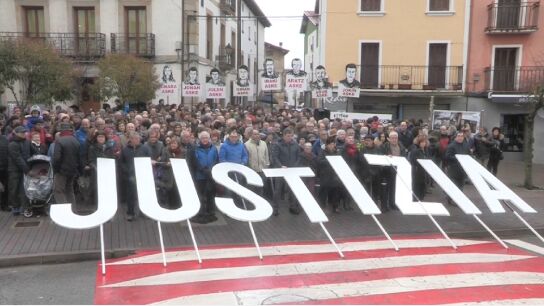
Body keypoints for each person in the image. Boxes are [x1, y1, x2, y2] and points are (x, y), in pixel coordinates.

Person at [120, 132, 151, 221]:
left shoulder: (145, 148)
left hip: (142, 176)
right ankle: (130, 213)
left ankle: (144, 212)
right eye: (134, 138)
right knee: (130, 196)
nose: (136, 140)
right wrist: (127, 171)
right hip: (130, 177)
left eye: (138, 139)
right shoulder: (125, 150)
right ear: (130, 139)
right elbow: (121, 163)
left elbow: (148, 160)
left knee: (143, 195)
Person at [271, 128, 301, 215]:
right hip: (281, 170)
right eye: (288, 136)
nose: (290, 138)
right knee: (278, 190)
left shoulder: (295, 144)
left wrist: (295, 165)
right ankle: (275, 208)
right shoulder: (277, 144)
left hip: (292, 170)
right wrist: (280, 166)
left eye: (291, 136)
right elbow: (274, 157)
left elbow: (299, 156)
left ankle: (292, 207)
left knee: (292, 190)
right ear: (283, 135)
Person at [53, 123, 81, 209]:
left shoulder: (59, 141)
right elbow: (79, 157)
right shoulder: (75, 140)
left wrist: (56, 169)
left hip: (62, 171)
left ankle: (64, 211)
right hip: (72, 170)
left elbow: (57, 158)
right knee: (69, 190)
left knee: (58, 190)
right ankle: (73, 210)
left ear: (61, 131)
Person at [193, 131, 219, 224]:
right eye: (203, 138)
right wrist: (203, 170)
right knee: (200, 195)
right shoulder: (196, 148)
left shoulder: (214, 148)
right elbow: (195, 161)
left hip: (211, 175)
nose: (204, 139)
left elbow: (216, 160)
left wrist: (212, 170)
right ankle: (201, 213)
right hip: (200, 176)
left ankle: (210, 212)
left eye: (206, 138)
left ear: (209, 139)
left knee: (211, 195)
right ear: (200, 139)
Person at [7, 126, 30, 216]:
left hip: (24, 169)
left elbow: (33, 152)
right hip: (14, 170)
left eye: (25, 132)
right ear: (16, 133)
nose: (24, 134)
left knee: (23, 189)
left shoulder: (27, 142)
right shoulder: (12, 144)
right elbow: (17, 159)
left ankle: (23, 207)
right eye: (22, 133)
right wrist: (27, 169)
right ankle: (15, 207)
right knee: (14, 189)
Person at [317, 136, 342, 213]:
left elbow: (340, 161)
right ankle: (322, 206)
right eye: (330, 144)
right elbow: (320, 161)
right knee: (324, 191)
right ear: (327, 145)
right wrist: (330, 160)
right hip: (325, 174)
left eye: (333, 144)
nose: (332, 145)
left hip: (335, 175)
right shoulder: (322, 151)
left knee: (336, 191)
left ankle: (335, 206)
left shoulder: (337, 152)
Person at [245, 128, 271, 200]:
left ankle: (260, 201)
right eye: (255, 134)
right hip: (252, 170)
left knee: (261, 188)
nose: (257, 135)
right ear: (251, 135)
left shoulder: (264, 143)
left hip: (262, 170)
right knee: (252, 188)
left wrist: (267, 165)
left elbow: (266, 155)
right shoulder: (246, 145)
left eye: (258, 134)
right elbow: (247, 158)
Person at [445, 131, 471, 204]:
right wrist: (458, 158)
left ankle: (458, 200)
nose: (460, 137)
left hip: (462, 169)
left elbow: (468, 154)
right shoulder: (451, 146)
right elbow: (447, 156)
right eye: (458, 136)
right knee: (454, 185)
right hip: (454, 169)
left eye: (461, 136)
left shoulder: (466, 145)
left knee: (461, 185)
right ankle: (450, 197)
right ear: (456, 137)